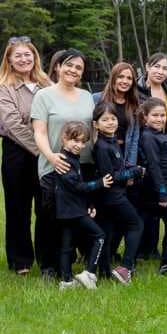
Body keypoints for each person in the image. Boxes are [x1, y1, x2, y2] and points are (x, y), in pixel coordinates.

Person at [31, 49, 96, 278]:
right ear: (58, 66)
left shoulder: (87, 96)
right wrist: (51, 156)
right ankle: (48, 266)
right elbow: (39, 132)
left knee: (79, 215)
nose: (73, 70)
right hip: (54, 165)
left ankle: (73, 261)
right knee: (50, 217)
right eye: (69, 65)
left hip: (83, 165)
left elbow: (93, 131)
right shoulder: (43, 96)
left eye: (78, 67)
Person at [0, 36, 53, 275]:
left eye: (27, 54)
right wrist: (41, 149)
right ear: (9, 60)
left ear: (34, 57)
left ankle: (47, 257)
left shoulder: (47, 85)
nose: (23, 59)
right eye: (17, 55)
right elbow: (12, 124)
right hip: (18, 153)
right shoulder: (5, 88)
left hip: (46, 153)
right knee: (18, 208)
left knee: (46, 207)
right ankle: (20, 260)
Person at [91, 101, 144, 284]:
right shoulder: (102, 147)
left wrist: (131, 167)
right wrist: (134, 172)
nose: (111, 122)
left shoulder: (113, 142)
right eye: (105, 120)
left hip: (113, 196)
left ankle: (104, 271)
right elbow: (110, 176)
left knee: (107, 231)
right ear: (96, 124)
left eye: (113, 119)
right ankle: (126, 267)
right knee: (136, 224)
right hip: (112, 196)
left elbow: (119, 165)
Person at [54, 121, 110, 290]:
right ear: (64, 138)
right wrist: (100, 183)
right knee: (99, 235)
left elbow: (77, 188)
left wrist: (89, 203)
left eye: (82, 142)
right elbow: (77, 186)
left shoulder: (73, 158)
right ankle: (89, 273)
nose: (79, 145)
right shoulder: (64, 161)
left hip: (70, 209)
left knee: (67, 245)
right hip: (72, 211)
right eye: (74, 141)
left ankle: (66, 281)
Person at [138, 97, 167, 275]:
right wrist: (162, 192)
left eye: (162, 115)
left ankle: (162, 261)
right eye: (155, 115)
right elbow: (154, 165)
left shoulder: (161, 135)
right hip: (161, 187)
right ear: (145, 117)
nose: (159, 119)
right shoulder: (148, 136)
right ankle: (165, 265)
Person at [93, 62, 142, 167]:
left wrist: (131, 166)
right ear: (113, 78)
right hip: (101, 154)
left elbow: (134, 138)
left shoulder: (134, 104)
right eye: (121, 77)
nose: (125, 81)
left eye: (129, 78)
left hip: (123, 154)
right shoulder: (97, 99)